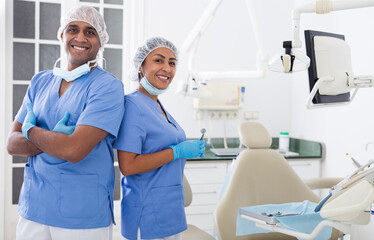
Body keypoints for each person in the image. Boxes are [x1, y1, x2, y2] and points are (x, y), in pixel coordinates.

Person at [6, 5, 124, 240]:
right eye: (73, 29)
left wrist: (30, 130)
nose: (81, 37)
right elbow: (11, 143)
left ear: (101, 42)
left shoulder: (107, 87)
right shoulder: (40, 81)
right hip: (34, 207)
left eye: (90, 32)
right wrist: (54, 139)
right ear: (62, 34)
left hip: (82, 213)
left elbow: (74, 150)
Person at [114, 37, 205, 240]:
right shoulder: (132, 105)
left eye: (172, 63)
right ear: (140, 66)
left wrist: (183, 149)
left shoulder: (157, 106)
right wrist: (177, 151)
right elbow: (128, 166)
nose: (167, 68)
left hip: (170, 212)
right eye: (159, 60)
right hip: (147, 214)